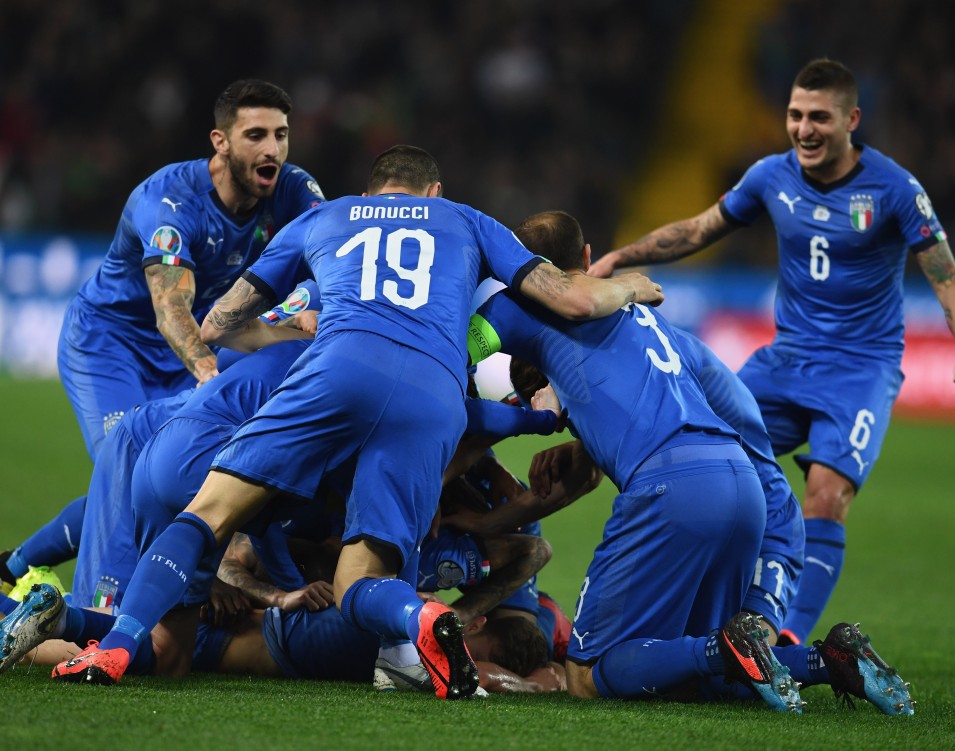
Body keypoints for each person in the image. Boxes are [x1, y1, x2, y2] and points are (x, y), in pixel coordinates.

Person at [50, 144, 664, 700]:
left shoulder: (330, 214)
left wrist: (289, 330)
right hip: (434, 395)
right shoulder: (468, 220)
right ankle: (420, 617)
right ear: (435, 193)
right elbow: (574, 298)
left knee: (209, 514)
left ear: (370, 194)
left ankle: (117, 646)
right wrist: (633, 286)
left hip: (339, 369)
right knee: (360, 579)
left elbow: (217, 323)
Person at [590, 58, 955, 645]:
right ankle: (684, 603)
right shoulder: (769, 176)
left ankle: (788, 639)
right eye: (795, 115)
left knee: (826, 493)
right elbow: (699, 229)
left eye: (819, 117)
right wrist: (621, 258)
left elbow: (947, 275)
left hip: (860, 370)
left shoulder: (895, 189)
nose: (804, 129)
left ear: (852, 119)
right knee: (702, 455)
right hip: (785, 361)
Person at [467, 209, 914, 714]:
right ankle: (827, 659)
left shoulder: (521, 307)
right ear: (588, 257)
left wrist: (513, 415)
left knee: (587, 675)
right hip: (743, 483)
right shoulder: (649, 322)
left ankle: (725, 648)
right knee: (695, 673)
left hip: (675, 488)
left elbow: (451, 351)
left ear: (518, 266)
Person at [57, 78, 325, 460]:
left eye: (280, 135)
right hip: (113, 340)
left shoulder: (294, 189)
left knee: (186, 470)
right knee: (125, 462)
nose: (272, 149)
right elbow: (170, 307)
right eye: (255, 135)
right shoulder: (169, 201)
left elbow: (332, 253)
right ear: (221, 141)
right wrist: (206, 369)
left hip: (196, 338)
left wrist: (309, 308)